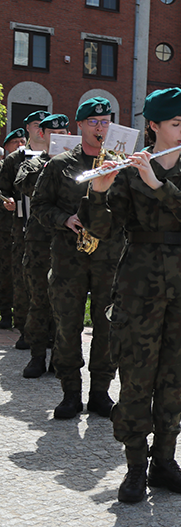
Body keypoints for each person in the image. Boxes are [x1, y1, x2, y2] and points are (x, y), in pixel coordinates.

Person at [82, 86, 181, 504]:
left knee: (173, 380)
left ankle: (165, 461)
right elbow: (100, 230)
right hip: (139, 287)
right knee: (137, 379)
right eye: (176, 123)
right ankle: (136, 465)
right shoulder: (125, 171)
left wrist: (156, 183)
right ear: (153, 126)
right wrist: (99, 190)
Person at [32, 98, 125, 420]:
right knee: (67, 325)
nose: (101, 128)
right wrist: (64, 220)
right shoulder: (59, 165)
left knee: (108, 326)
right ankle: (70, 392)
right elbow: (40, 206)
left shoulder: (117, 163)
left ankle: (100, 392)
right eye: (94, 122)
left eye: (105, 122)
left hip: (108, 256)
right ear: (80, 125)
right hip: (69, 257)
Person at [17, 114, 68, 378]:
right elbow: (24, 185)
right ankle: (37, 356)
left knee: (64, 304)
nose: (57, 137)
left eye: (63, 132)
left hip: (66, 241)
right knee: (38, 301)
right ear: (41, 134)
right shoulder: (33, 163)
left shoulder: (75, 164)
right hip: (39, 241)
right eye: (51, 133)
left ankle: (60, 357)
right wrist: (50, 163)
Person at [1, 112, 50, 350]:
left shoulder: (61, 157)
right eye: (37, 125)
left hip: (53, 229)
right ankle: (24, 329)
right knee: (22, 281)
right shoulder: (15, 159)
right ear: (29, 129)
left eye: (45, 125)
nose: (42, 129)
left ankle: (51, 331)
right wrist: (6, 200)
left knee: (51, 282)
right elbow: (3, 189)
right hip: (22, 227)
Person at [0, 128, 27, 331]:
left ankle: (18, 315)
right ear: (6, 146)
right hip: (4, 227)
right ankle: (5, 312)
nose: (19, 145)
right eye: (15, 142)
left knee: (17, 272)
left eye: (22, 141)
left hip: (21, 228)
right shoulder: (7, 166)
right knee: (4, 271)